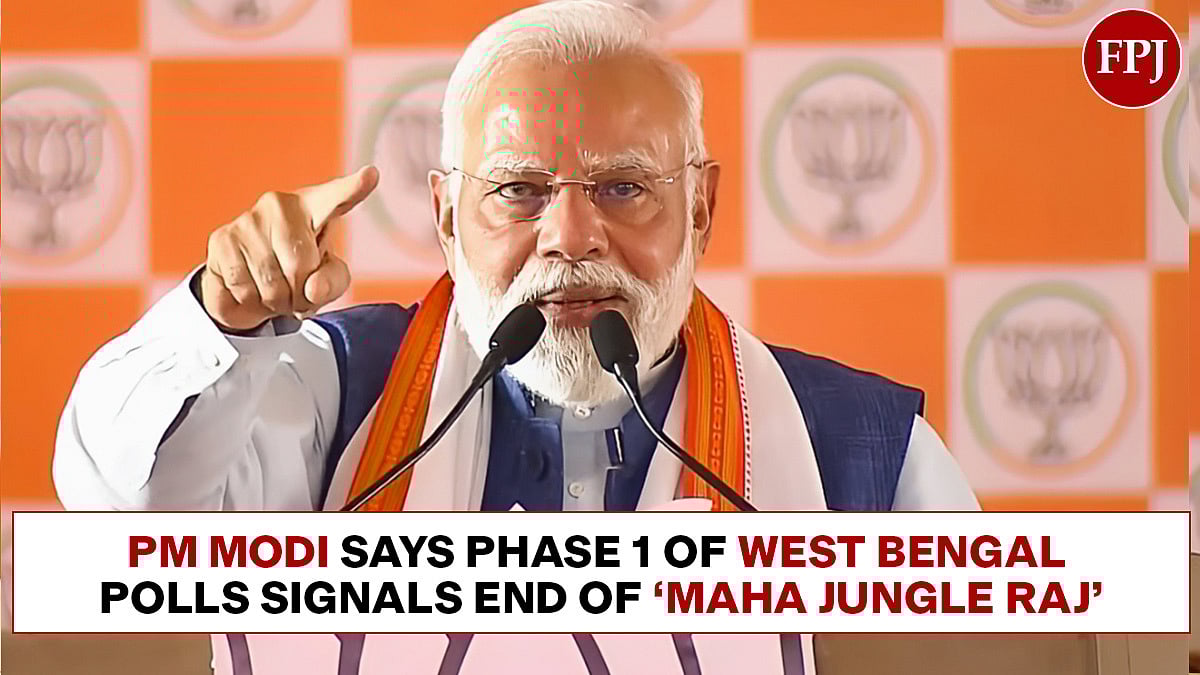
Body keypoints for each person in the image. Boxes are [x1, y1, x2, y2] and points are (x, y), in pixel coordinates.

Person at [52, 1, 978, 672]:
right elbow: (124, 516)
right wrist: (219, 317)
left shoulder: (869, 454)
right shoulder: (335, 394)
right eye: (519, 191)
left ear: (701, 207)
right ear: (446, 218)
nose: (570, 237)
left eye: (623, 187)